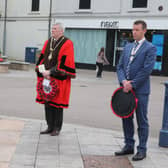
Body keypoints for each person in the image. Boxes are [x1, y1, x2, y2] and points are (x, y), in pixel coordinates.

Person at [115, 20, 156, 161]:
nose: (134, 32)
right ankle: (128, 145)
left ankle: (142, 149)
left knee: (141, 120)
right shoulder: (128, 46)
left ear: (144, 31)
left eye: (137, 30)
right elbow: (119, 66)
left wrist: (132, 84)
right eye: (133, 29)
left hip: (140, 91)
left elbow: (147, 70)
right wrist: (123, 81)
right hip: (125, 89)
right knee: (126, 117)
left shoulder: (150, 48)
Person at [35, 23, 76, 136]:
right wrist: (42, 71)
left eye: (55, 29)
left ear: (61, 31)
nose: (52, 31)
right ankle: (49, 126)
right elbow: (42, 58)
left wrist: (51, 72)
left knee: (57, 104)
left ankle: (57, 128)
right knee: (47, 102)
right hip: (46, 78)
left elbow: (64, 62)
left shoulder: (67, 43)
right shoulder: (48, 42)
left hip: (59, 79)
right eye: (52, 29)